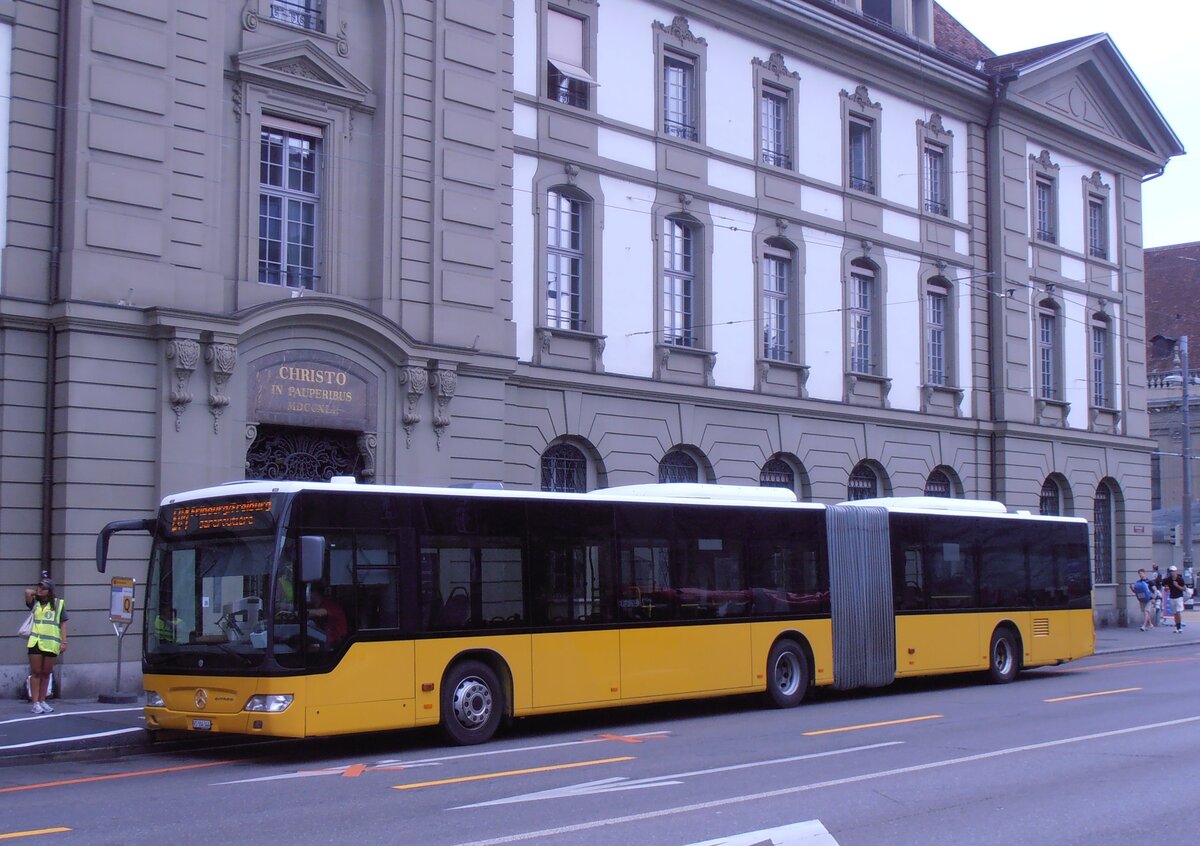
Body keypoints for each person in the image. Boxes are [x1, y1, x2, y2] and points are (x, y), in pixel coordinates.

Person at [23, 573, 68, 714]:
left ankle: (43, 701)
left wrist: (64, 641)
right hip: (36, 642)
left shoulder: (58, 604)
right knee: (36, 672)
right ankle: (35, 702)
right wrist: (37, 593)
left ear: (50, 591)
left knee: (46, 673)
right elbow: (27, 592)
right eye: (39, 587)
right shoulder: (35, 603)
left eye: (44, 588)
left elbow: (63, 623)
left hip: (51, 643)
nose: (40, 590)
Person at [307, 584, 347, 648]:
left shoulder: (329, 604)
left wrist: (300, 613)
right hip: (326, 638)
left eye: (310, 592)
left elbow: (319, 613)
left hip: (336, 643)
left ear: (315, 593)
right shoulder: (317, 606)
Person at [1163, 565, 1187, 633]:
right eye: (1170, 571)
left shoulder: (1180, 579)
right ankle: (1177, 627)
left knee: (1178, 612)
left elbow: (1184, 589)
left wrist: (1177, 585)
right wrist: (1166, 588)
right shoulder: (1168, 579)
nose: (1171, 572)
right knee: (1174, 613)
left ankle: (1179, 627)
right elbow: (1164, 586)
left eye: (1173, 571)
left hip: (1179, 597)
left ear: (1176, 571)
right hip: (1172, 597)